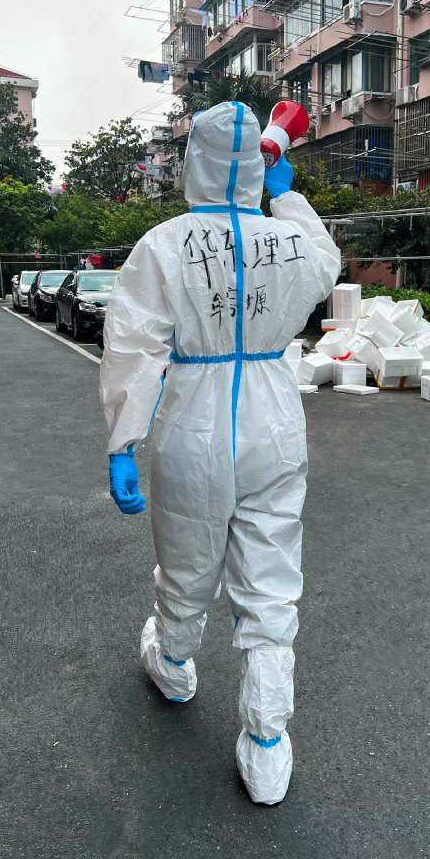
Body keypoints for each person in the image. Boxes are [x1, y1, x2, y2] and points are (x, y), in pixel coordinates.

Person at [99, 101, 340, 804]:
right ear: (254, 170)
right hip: (273, 418)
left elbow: (135, 345)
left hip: (193, 421)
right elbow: (326, 263)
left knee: (187, 562)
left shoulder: (164, 244)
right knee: (269, 580)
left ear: (194, 165)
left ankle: (174, 665)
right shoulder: (288, 240)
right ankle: (267, 745)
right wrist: (285, 195)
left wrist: (122, 440)